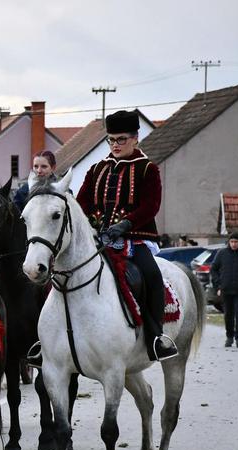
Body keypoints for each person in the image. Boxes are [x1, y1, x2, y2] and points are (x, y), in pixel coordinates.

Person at [76, 109, 177, 361]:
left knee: (151, 275)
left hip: (134, 237)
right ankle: (49, 339)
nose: (115, 144)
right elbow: (82, 201)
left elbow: (151, 205)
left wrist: (125, 225)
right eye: (111, 139)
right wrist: (90, 224)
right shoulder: (97, 168)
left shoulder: (147, 169)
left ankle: (156, 337)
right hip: (98, 238)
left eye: (121, 139)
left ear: (135, 138)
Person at [211, 232, 238, 348]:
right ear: (229, 242)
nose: (234, 244)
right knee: (228, 315)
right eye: (232, 242)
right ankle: (229, 337)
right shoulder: (222, 253)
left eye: (236, 242)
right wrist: (218, 286)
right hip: (225, 289)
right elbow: (214, 269)